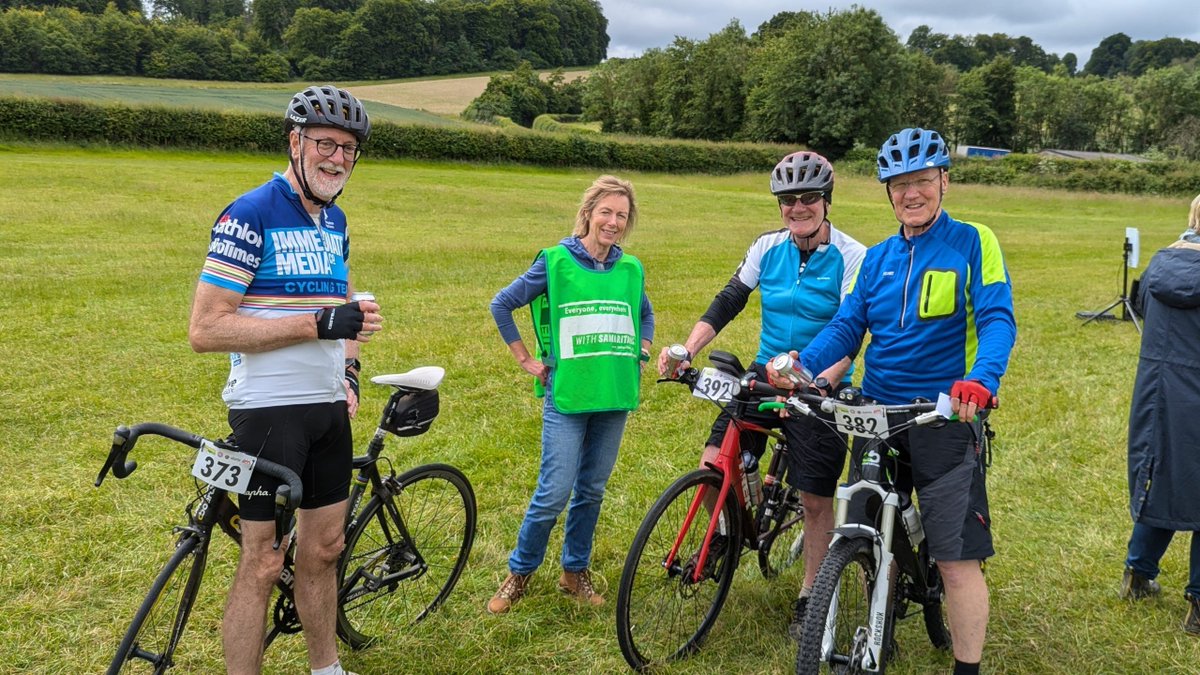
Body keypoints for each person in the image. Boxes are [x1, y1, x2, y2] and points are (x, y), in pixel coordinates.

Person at [782, 128, 1016, 675]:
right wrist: (803, 365)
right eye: (899, 185)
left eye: (922, 181)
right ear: (888, 193)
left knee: (956, 559)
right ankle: (878, 628)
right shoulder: (878, 258)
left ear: (944, 181)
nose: (911, 194)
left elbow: (996, 319)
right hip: (877, 414)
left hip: (942, 414)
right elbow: (848, 325)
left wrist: (980, 380)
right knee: (865, 530)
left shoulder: (973, 242)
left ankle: (966, 668)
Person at [188, 85, 382, 675]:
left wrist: (349, 367)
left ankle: (327, 668)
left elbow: (343, 307)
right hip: (269, 412)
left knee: (324, 549)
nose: (338, 159)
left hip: (327, 410)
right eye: (326, 143)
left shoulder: (335, 220)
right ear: (295, 142)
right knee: (263, 562)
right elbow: (206, 329)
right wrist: (315, 324)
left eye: (349, 149)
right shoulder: (250, 213)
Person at [655, 151, 865, 636]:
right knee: (714, 462)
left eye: (808, 198)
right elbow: (729, 301)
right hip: (767, 370)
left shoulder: (854, 255)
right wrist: (687, 349)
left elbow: (850, 330)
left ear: (826, 201)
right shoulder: (767, 246)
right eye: (788, 200)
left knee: (815, 499)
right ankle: (727, 532)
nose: (798, 207)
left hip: (822, 379)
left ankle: (811, 594)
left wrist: (816, 380)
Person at [487, 175, 654, 614]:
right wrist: (525, 359)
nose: (613, 222)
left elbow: (645, 313)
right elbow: (502, 304)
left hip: (613, 395)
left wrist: (643, 348)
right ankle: (520, 572)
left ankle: (573, 571)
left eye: (621, 215)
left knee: (592, 490)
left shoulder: (630, 268)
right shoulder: (556, 261)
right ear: (588, 213)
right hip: (567, 396)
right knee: (554, 492)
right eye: (606, 212)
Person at [1120, 193, 1200, 636]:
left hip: (1157, 392)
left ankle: (1137, 573)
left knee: (1162, 476)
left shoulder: (1159, 264)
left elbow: (1145, 314)